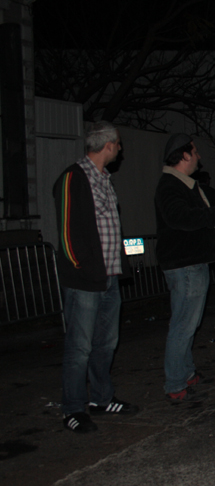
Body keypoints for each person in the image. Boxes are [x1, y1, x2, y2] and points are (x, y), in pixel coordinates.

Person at [53, 121, 137, 433]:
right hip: (85, 280)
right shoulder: (74, 177)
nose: (120, 149)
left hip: (109, 277)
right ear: (108, 144)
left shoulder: (105, 178)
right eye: (118, 143)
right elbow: (66, 230)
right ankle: (73, 408)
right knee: (80, 347)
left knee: (106, 343)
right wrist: (81, 268)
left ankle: (101, 398)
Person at [155, 133, 215, 403]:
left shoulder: (184, 184)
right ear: (184, 155)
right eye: (194, 152)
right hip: (185, 265)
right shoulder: (170, 184)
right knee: (184, 325)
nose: (198, 157)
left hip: (192, 264)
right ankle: (174, 383)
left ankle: (186, 373)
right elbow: (179, 217)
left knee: (189, 322)